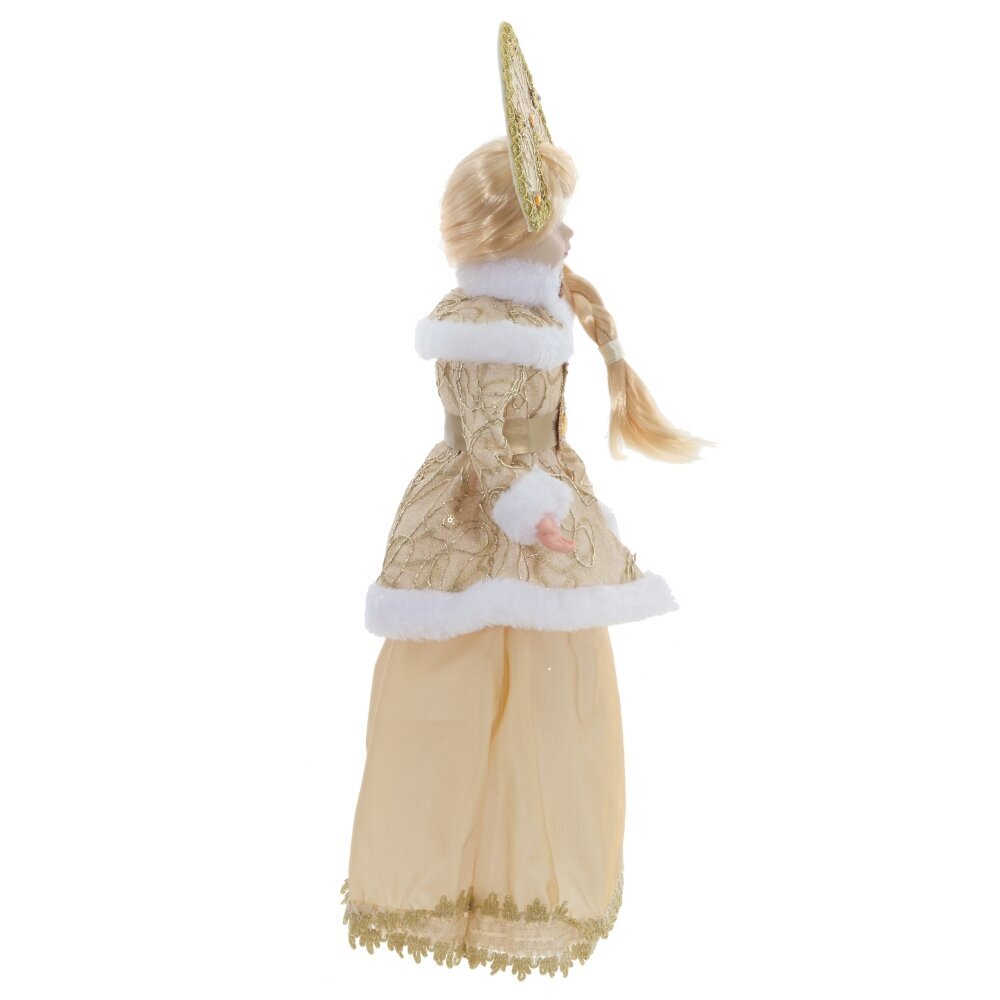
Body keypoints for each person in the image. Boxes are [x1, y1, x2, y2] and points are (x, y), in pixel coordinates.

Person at [341, 21, 713, 980]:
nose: (571, 235)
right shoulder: (484, 331)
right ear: (514, 229)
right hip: (485, 519)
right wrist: (526, 509)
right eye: (556, 218)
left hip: (538, 502)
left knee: (549, 692)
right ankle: (454, 880)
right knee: (466, 688)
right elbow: (486, 444)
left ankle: (525, 879)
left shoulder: (530, 315)